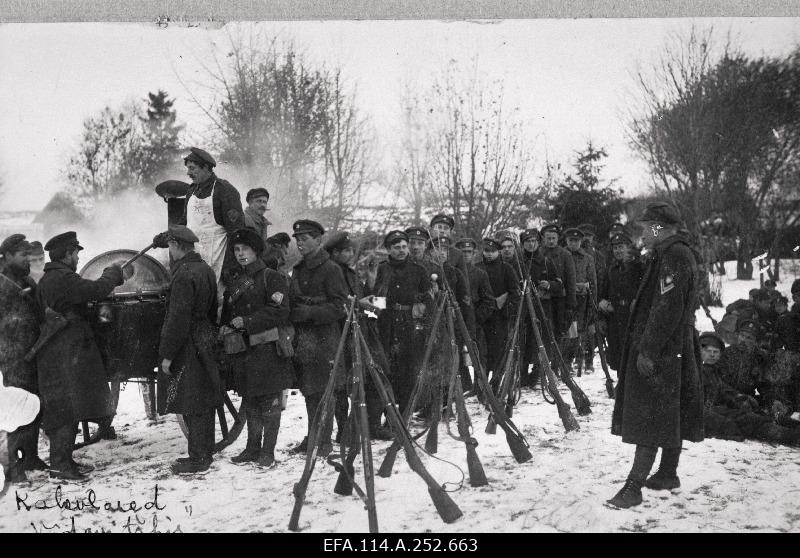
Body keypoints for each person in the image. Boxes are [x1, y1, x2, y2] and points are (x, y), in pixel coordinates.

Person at [608, 202, 704, 509]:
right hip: (673, 347)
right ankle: (667, 473)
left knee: (649, 415)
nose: (642, 234)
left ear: (660, 227)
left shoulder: (674, 255)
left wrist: (647, 351)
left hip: (663, 349)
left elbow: (667, 309)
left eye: (646, 228)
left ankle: (633, 487)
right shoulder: (671, 253)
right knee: (669, 410)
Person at [35, 231, 124, 480]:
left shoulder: (50, 278)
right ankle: (60, 466)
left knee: (66, 407)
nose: (76, 258)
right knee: (66, 409)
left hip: (59, 349)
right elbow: (96, 289)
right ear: (67, 255)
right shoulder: (63, 279)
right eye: (75, 253)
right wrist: (112, 274)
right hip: (65, 351)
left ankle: (63, 462)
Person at [222, 228, 293, 468]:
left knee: (269, 402)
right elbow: (229, 311)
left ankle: (267, 452)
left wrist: (249, 321)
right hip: (245, 351)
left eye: (246, 249)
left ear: (256, 251)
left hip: (268, 350)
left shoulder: (271, 277)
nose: (241, 254)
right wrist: (224, 326)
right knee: (250, 400)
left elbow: (280, 311)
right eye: (237, 250)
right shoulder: (236, 280)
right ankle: (252, 449)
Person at [156, 225, 222, 475]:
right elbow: (213, 306)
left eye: (170, 247)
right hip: (204, 337)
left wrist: (167, 354)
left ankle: (198, 458)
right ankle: (204, 453)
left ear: (174, 246)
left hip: (187, 343)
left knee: (191, 400)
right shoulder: (205, 270)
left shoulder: (183, 274)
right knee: (203, 399)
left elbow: (177, 319)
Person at [324, 231, 393, 441]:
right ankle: (346, 431)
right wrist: (360, 304)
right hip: (342, 336)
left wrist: (372, 285)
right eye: (347, 251)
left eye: (352, 250)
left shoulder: (351, 273)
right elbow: (339, 303)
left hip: (363, 333)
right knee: (345, 385)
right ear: (335, 253)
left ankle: (370, 427)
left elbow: (372, 304)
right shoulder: (332, 272)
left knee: (375, 378)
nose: (351, 254)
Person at [288, 220, 349, 457]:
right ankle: (314, 436)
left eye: (304, 239)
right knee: (309, 388)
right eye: (297, 240)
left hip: (325, 338)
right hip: (305, 338)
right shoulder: (299, 268)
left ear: (318, 240)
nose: (300, 244)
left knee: (325, 389)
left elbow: (340, 306)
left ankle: (323, 441)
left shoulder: (331, 269)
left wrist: (311, 312)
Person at [158, 147, 245, 305]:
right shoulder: (191, 192)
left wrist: (230, 267)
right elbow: (183, 224)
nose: (188, 173)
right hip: (193, 259)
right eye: (188, 169)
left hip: (217, 259)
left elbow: (237, 233)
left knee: (214, 303)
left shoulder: (225, 190)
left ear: (206, 167)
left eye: (192, 168)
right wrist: (165, 237)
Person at [701, 332, 800, 446]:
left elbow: (724, 391)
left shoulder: (711, 371)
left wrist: (740, 398)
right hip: (705, 415)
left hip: (716, 410)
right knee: (747, 421)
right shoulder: (695, 371)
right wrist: (725, 422)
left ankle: (791, 430)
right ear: (700, 351)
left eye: (715, 352)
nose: (712, 355)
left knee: (755, 416)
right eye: (708, 351)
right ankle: (792, 437)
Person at [0, 234, 45, 483]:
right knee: (11, 412)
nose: (28, 259)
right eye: (22, 255)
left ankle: (30, 456)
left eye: (29, 255)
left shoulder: (26, 280)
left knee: (33, 405)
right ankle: (12, 467)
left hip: (29, 354)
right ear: (6, 256)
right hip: (8, 358)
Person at [372, 230, 432, 414]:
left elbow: (428, 300)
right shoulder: (381, 269)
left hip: (410, 326)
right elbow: (375, 297)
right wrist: (375, 315)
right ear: (388, 249)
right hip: (387, 325)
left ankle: (405, 415)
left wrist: (418, 308)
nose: (402, 250)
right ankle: (388, 415)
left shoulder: (419, 270)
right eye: (396, 247)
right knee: (387, 369)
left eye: (404, 247)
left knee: (408, 373)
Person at [517, 228, 562, 387]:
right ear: (523, 244)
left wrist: (549, 284)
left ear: (538, 242)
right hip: (523, 309)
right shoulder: (518, 262)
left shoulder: (545, 261)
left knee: (540, 340)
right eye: (528, 242)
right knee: (523, 340)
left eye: (534, 241)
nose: (531, 244)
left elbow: (559, 284)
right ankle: (522, 375)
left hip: (542, 308)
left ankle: (536, 373)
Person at [476, 237, 521, 393]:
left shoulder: (506, 269)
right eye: (486, 251)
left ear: (498, 252)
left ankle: (496, 383)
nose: (489, 254)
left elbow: (515, 293)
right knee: (481, 352)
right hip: (481, 317)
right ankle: (480, 386)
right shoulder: (477, 268)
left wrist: (503, 306)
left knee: (498, 353)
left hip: (499, 318)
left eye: (493, 251)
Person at [597, 232, 644, 371]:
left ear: (628, 248)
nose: (618, 251)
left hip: (632, 318)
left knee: (632, 354)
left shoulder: (638, 267)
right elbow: (603, 293)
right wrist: (601, 305)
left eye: (621, 247)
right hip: (614, 319)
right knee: (617, 356)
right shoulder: (611, 269)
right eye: (615, 248)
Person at [454, 237, 495, 391]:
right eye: (462, 252)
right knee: (456, 355)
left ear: (474, 253)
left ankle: (481, 389)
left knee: (478, 355)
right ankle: (463, 387)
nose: (465, 255)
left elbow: (488, 301)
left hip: (474, 322)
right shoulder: (451, 272)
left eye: (469, 252)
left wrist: (477, 318)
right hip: (455, 322)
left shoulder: (480, 274)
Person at [563, 228, 597, 374]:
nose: (573, 243)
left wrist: (592, 301)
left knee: (582, 332)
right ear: (566, 241)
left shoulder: (587, 258)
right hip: (565, 300)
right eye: (571, 240)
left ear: (581, 242)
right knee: (569, 332)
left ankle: (583, 361)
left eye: (576, 241)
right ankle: (566, 362)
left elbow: (593, 282)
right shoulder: (562, 255)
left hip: (583, 300)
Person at [541, 224, 577, 340]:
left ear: (558, 238)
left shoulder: (565, 255)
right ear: (543, 238)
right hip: (542, 299)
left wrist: (570, 305)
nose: (551, 241)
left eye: (553, 238)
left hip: (560, 300)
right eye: (548, 238)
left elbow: (571, 282)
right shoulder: (539, 253)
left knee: (562, 332)